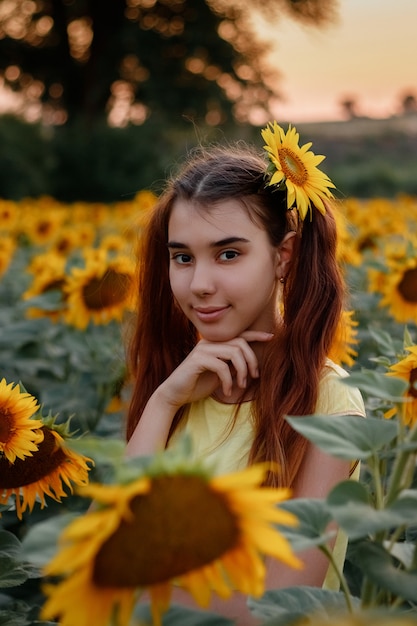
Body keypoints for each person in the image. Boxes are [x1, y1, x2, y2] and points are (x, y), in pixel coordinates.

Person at [125, 121, 365, 624]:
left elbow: (278, 606)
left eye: (228, 254)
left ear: (284, 255)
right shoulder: (178, 390)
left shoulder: (330, 404)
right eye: (182, 258)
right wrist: (163, 402)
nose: (200, 283)